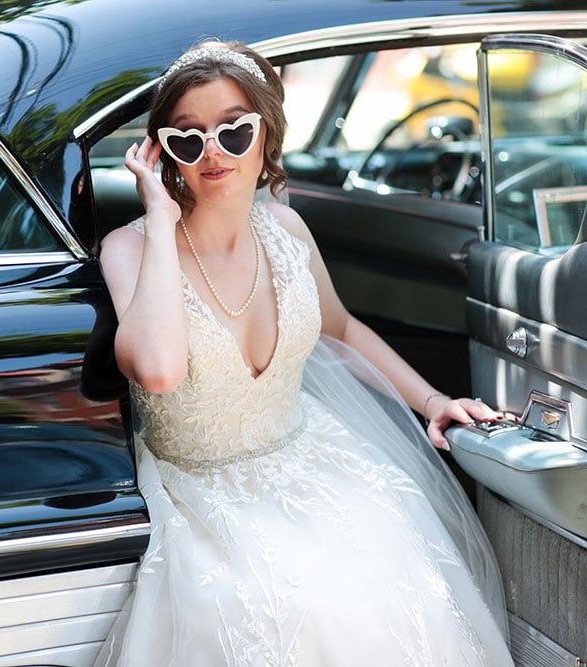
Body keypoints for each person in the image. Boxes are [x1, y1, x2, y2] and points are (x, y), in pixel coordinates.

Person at [93, 40, 514, 666]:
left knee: (393, 586)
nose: (213, 151)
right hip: (201, 495)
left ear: (267, 134)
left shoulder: (286, 230)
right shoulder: (130, 250)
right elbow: (158, 370)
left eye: (234, 131)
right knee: (295, 611)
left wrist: (432, 400)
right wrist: (156, 214)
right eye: (187, 138)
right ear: (162, 154)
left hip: (313, 463)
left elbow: (339, 331)